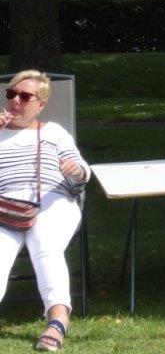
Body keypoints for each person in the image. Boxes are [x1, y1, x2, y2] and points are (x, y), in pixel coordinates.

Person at [0, 70, 90, 350]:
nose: (16, 100)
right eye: (11, 94)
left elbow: (83, 171)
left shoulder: (53, 132)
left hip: (52, 201)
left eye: (25, 96)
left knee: (45, 244)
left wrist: (75, 170)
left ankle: (58, 319)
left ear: (40, 104)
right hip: (5, 207)